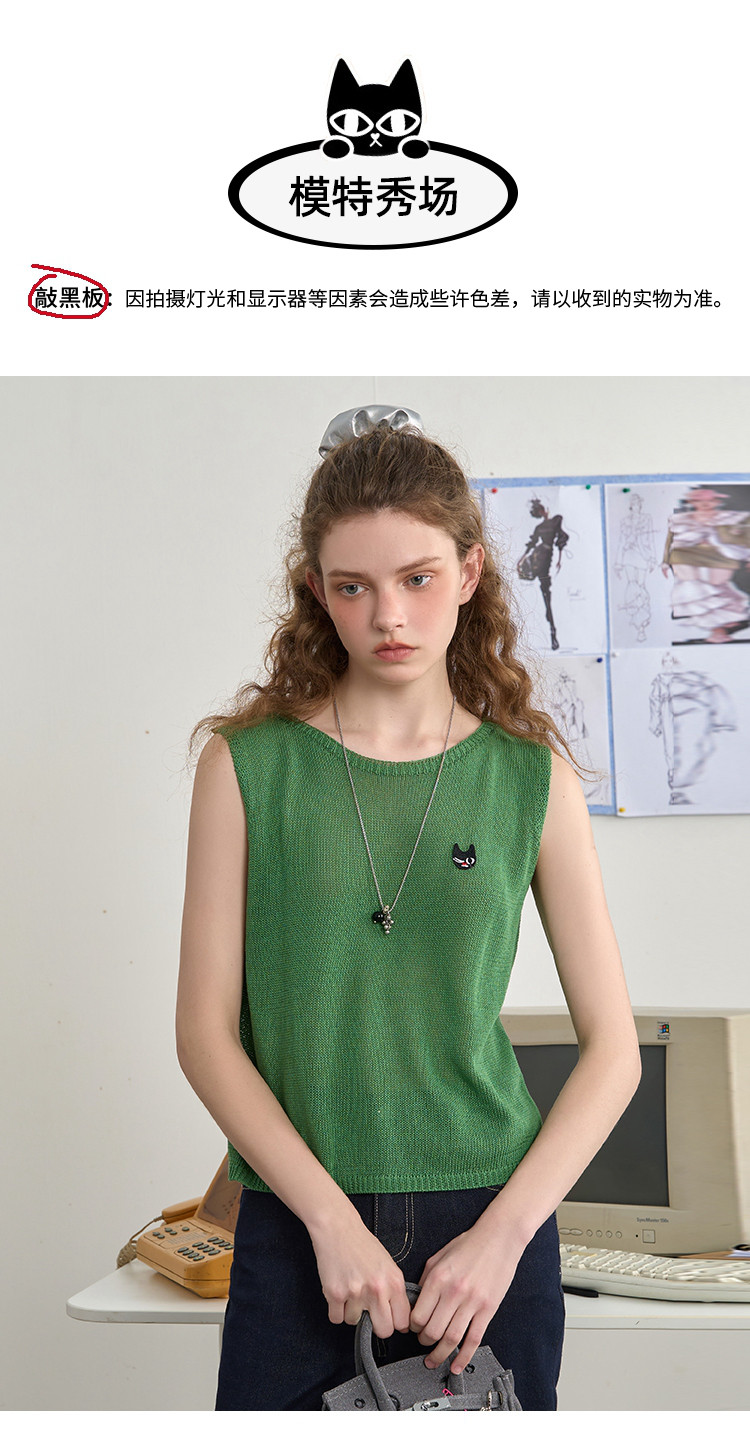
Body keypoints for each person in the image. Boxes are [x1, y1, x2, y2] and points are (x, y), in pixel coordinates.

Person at [176, 405, 641, 1411]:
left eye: (418, 578)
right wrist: (328, 1220)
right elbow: (205, 1035)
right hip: (299, 1219)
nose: (389, 614)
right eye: (354, 585)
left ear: (469, 572)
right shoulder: (246, 767)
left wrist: (504, 1237)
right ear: (318, 590)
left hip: (489, 1231)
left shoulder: (533, 779)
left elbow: (616, 1051)